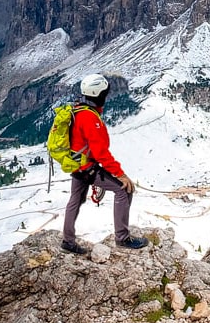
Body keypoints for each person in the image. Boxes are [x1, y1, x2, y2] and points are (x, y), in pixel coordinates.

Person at [61, 73, 148, 254]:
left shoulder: (78, 110)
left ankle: (68, 241)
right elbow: (101, 153)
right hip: (88, 167)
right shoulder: (90, 118)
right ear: (99, 94)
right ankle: (122, 238)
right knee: (124, 189)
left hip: (76, 165)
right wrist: (120, 174)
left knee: (75, 200)